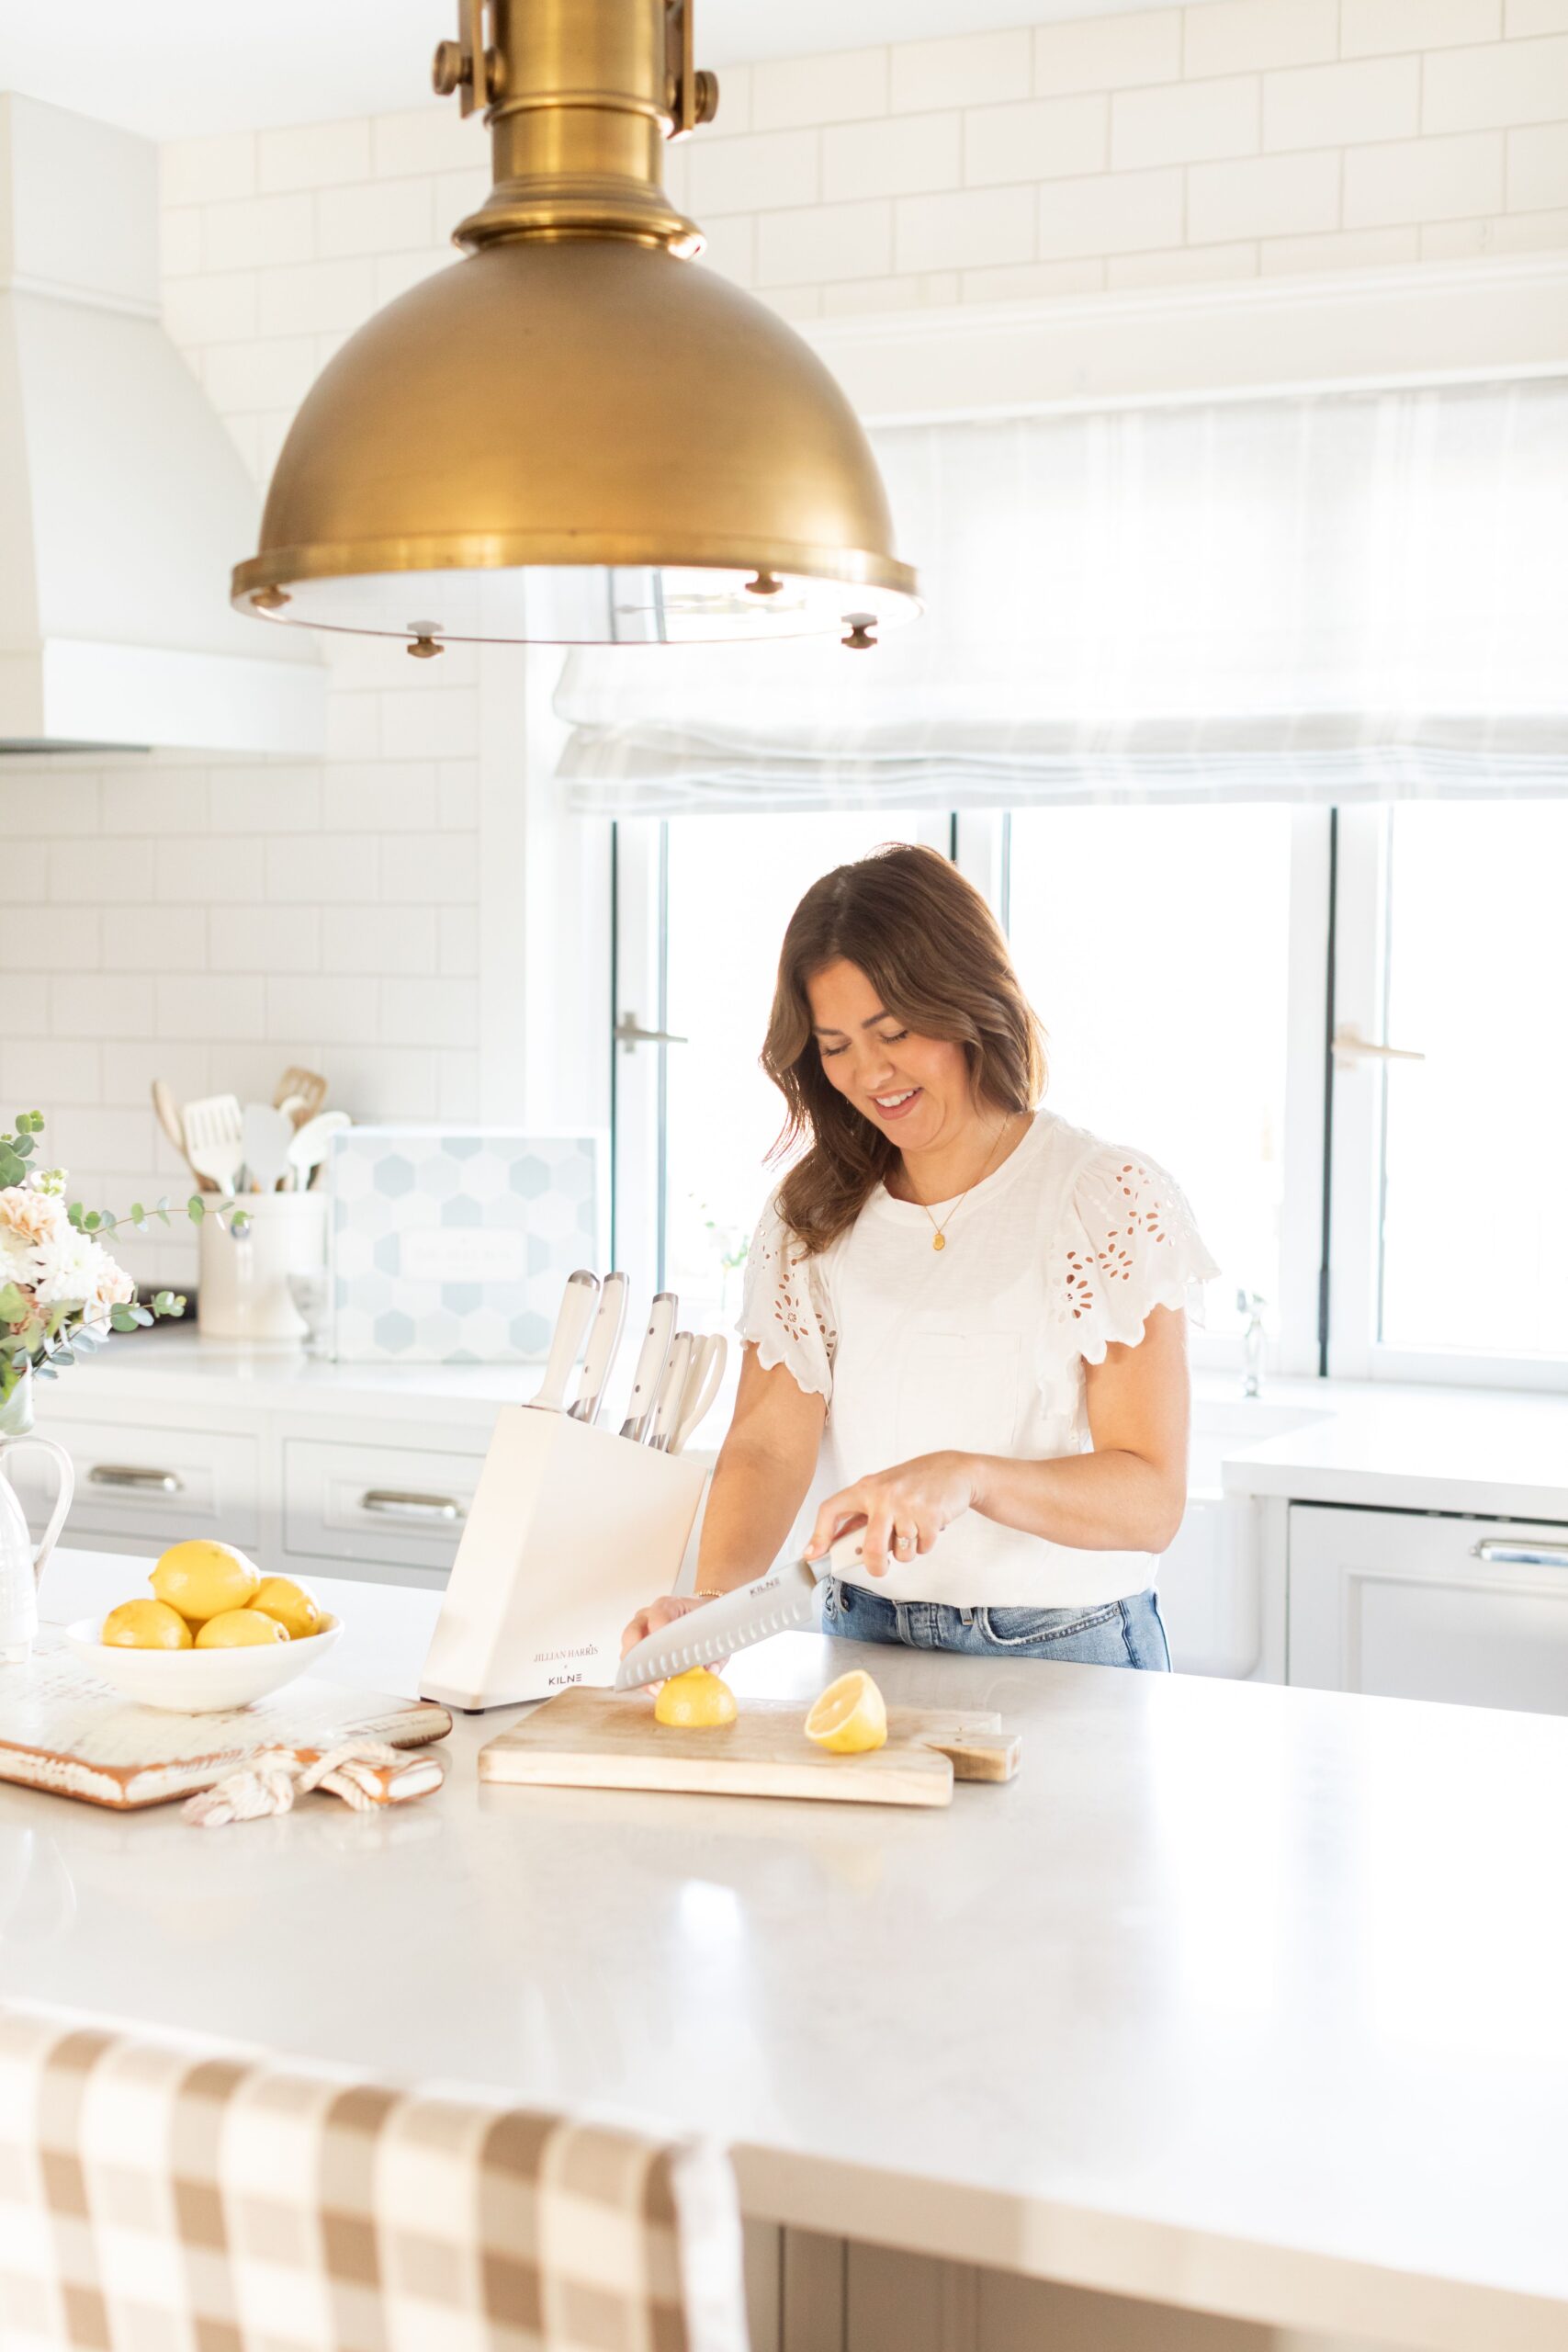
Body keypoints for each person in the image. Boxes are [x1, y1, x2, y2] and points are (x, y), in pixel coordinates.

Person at [622, 843, 1219, 1672]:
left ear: (968, 1003)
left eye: (893, 1032)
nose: (869, 1074)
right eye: (833, 1047)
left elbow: (1149, 1499)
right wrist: (714, 1606)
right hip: (864, 1635)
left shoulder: (1099, 1196)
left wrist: (967, 1477)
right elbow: (766, 1445)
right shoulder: (812, 1214)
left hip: (1065, 1649)